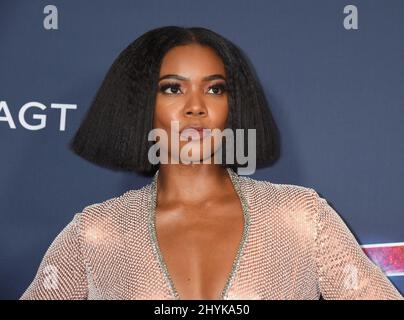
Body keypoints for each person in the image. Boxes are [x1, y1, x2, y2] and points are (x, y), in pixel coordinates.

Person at [20, 26, 403, 300]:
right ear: (140, 105)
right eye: (172, 88)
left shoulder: (301, 217)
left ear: (232, 104)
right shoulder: (96, 233)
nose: (196, 106)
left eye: (215, 88)